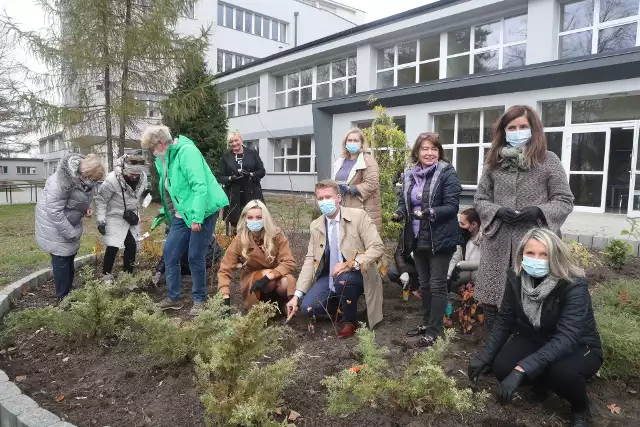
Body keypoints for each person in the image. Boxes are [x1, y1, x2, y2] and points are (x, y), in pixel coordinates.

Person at [468, 228, 602, 427]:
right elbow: (505, 319)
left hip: (579, 345)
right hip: (536, 337)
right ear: (522, 255)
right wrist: (484, 357)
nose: (536, 259)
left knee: (561, 373)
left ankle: (580, 408)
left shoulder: (573, 284)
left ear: (555, 256)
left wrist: (523, 369)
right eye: (530, 253)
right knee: (502, 367)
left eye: (544, 254)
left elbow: (567, 337)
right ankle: (542, 381)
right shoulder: (516, 277)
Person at [474, 105, 574, 327]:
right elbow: (480, 199)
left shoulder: (548, 160)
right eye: (512, 127)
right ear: (504, 130)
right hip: (498, 242)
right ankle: (494, 346)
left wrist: (539, 210)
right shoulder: (493, 161)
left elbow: (565, 200)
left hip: (535, 244)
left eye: (523, 126)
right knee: (494, 301)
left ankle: (529, 348)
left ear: (533, 129)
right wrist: (497, 211)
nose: (517, 131)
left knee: (534, 299)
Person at [141, 125, 229, 316]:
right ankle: (174, 298)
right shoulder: (165, 160)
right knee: (170, 252)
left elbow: (199, 186)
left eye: (152, 148)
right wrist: (166, 212)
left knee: (195, 255)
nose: (152, 153)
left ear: (161, 144)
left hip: (203, 211)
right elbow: (172, 190)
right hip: (183, 214)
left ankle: (199, 299)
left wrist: (197, 217)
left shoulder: (187, 153)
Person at [286, 180, 385, 338]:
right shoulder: (316, 225)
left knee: (343, 281)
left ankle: (349, 321)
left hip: (360, 273)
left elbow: (377, 247)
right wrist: (297, 296)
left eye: (328, 197)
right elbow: (310, 261)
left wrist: (350, 264)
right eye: (320, 198)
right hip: (330, 276)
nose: (324, 202)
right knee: (308, 308)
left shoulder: (358, 216)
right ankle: (345, 305)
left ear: (338, 198)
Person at [393, 132, 463, 347]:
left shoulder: (447, 173)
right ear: (417, 151)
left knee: (437, 285)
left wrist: (431, 212)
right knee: (424, 285)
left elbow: (452, 206)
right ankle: (427, 324)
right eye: (425, 149)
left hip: (440, 238)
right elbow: (404, 202)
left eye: (434, 149)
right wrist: (399, 213)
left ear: (439, 152)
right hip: (416, 237)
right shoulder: (409, 174)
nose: (429, 153)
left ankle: (435, 331)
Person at [35, 153, 105, 301]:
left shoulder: (83, 179)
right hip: (54, 225)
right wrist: (70, 233)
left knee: (69, 256)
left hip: (69, 222)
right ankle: (62, 296)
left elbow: (84, 196)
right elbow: (54, 211)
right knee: (61, 259)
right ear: (86, 173)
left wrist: (87, 208)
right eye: (93, 179)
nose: (93, 183)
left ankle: (68, 289)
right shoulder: (60, 182)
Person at [217, 200, 296, 310]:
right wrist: (225, 296)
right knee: (268, 280)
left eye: (259, 217)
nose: (254, 221)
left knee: (285, 282)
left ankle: (284, 306)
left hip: (277, 274)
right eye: (250, 217)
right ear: (245, 219)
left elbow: (289, 263)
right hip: (252, 278)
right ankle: (261, 308)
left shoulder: (276, 235)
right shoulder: (240, 239)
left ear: (265, 218)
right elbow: (225, 269)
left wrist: (269, 277)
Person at [95, 154, 148, 284]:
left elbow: (141, 195)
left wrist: (146, 198)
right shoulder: (112, 180)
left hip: (131, 217)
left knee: (132, 246)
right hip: (115, 216)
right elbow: (101, 200)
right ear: (124, 169)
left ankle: (128, 277)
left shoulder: (142, 178)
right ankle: (106, 277)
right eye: (131, 174)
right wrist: (101, 220)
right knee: (113, 246)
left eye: (137, 174)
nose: (134, 177)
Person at [332, 128, 382, 231]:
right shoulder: (341, 160)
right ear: (345, 143)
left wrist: (352, 189)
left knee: (360, 242)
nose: (352, 143)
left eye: (356, 141)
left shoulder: (368, 160)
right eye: (349, 140)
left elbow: (372, 184)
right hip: (343, 205)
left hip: (362, 208)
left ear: (361, 143)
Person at [218, 131, 265, 233]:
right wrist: (230, 178)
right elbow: (221, 177)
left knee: (253, 224)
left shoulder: (252, 154)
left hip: (252, 194)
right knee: (236, 225)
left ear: (241, 140)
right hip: (234, 197)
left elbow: (262, 171)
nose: (234, 144)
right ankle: (237, 244)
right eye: (231, 142)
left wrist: (251, 174)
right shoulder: (225, 157)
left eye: (236, 140)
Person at [447, 207, 482, 290]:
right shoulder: (463, 237)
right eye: (459, 223)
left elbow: (485, 262)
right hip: (465, 272)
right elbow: (455, 258)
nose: (460, 226)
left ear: (474, 224)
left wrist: (460, 265)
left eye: (463, 224)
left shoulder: (484, 238)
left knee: (476, 275)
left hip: (479, 272)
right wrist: (448, 276)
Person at [386, 229, 419, 298]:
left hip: (425, 266)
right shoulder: (407, 231)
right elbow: (398, 253)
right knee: (391, 272)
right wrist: (403, 271)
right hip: (409, 264)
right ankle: (407, 286)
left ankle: (418, 288)